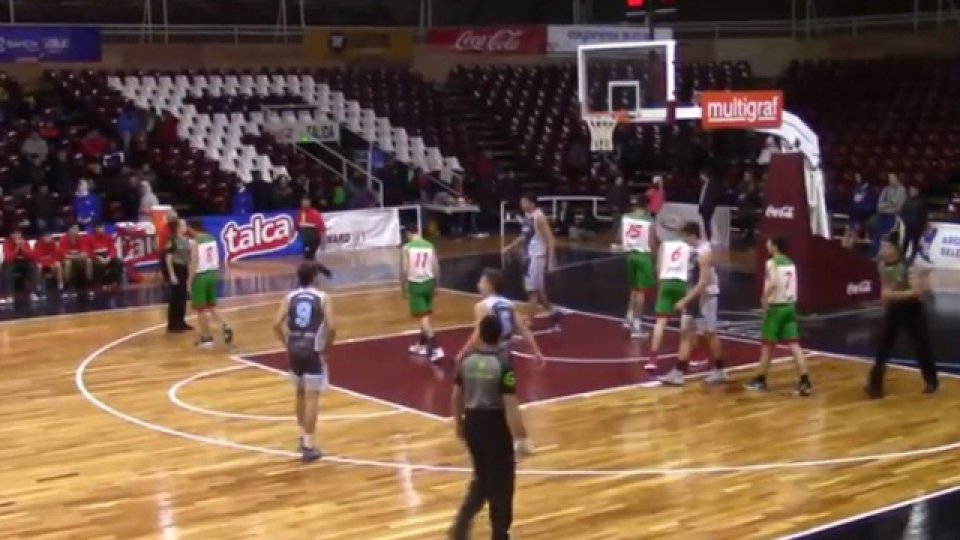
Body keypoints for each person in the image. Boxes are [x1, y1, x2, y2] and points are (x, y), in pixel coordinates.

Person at [449, 314, 530, 540]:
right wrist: (521, 437)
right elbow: (510, 405)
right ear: (500, 336)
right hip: (495, 425)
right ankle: (499, 532)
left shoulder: (467, 362)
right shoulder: (503, 366)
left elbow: (455, 396)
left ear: (481, 334)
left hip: (473, 423)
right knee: (503, 481)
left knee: (483, 477)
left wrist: (458, 423)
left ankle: (462, 524)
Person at [272, 262, 336, 463]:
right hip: (312, 349)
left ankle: (302, 437)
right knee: (311, 398)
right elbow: (333, 327)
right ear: (315, 278)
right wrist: (326, 349)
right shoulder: (323, 298)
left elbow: (275, 323)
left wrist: (286, 342)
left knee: (299, 393)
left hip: (294, 349)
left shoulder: (290, 297)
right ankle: (309, 446)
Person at [866, 234, 938, 398]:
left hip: (912, 310)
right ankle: (875, 385)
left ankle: (931, 380)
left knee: (921, 345)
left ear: (896, 250)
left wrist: (892, 296)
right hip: (894, 309)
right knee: (883, 347)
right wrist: (887, 302)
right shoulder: (882, 265)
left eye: (886, 247)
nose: (882, 250)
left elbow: (917, 292)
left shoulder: (908, 266)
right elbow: (885, 287)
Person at [658, 222, 727, 386]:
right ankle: (678, 372)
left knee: (709, 333)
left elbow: (703, 282)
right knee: (685, 332)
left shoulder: (704, 253)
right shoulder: (692, 249)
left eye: (685, 237)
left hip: (706, 297)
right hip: (693, 295)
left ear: (693, 236)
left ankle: (720, 370)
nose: (684, 240)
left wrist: (684, 300)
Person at [744, 237, 813, 396]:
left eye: (769, 242)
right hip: (790, 307)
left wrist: (764, 298)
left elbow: (773, 282)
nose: (766, 245)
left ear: (775, 246)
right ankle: (805, 380)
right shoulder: (790, 262)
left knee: (767, 346)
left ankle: (760, 379)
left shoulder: (772, 262)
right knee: (795, 345)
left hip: (776, 308)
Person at [456, 268, 545, 369]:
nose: (478, 284)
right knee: (507, 383)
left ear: (489, 285)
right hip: (505, 354)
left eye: (481, 281)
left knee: (485, 383)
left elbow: (477, 336)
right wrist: (537, 352)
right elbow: (525, 331)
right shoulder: (509, 304)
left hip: (487, 356)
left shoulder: (482, 306)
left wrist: (462, 355)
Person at [501, 194, 561, 329]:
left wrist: (551, 261)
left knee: (533, 291)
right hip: (528, 257)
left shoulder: (539, 218)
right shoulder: (528, 218)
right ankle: (553, 311)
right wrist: (510, 246)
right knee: (537, 290)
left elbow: (550, 240)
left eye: (524, 202)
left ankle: (529, 321)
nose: (521, 204)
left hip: (537, 257)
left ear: (532, 203)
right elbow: (524, 235)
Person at [645, 224, 694, 371]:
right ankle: (695, 356)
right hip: (683, 283)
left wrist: (661, 284)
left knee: (660, 322)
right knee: (688, 323)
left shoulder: (664, 245)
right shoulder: (689, 247)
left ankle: (652, 359)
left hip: (666, 282)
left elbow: (658, 268)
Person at [188, 218, 234, 348]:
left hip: (201, 276)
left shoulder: (197, 241)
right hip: (213, 274)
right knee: (212, 306)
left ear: (193, 228)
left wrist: (189, 280)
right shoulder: (212, 238)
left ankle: (206, 338)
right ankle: (226, 325)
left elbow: (194, 262)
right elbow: (218, 257)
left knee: (200, 309)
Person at [400, 227, 443, 362]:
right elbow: (436, 267)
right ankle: (421, 345)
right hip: (429, 282)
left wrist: (403, 286)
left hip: (416, 284)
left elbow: (405, 269)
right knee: (425, 315)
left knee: (423, 318)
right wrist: (437, 285)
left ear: (408, 234)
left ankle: (436, 348)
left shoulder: (407, 247)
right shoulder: (430, 245)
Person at [620, 195, 657, 339]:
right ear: (647, 206)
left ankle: (628, 317)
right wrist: (654, 259)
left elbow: (621, 237)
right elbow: (652, 243)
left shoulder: (626, 217)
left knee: (634, 288)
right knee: (641, 291)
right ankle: (637, 325)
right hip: (643, 256)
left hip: (630, 255)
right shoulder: (649, 221)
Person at [164, 218, 192, 333]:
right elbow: (168, 258)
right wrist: (172, 274)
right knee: (175, 298)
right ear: (178, 227)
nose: (185, 227)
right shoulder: (172, 240)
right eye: (183, 225)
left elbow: (189, 257)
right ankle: (172, 324)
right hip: (176, 269)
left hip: (184, 269)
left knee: (183, 297)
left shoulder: (187, 240)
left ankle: (181, 321)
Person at [871, 173, 906, 255]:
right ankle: (874, 253)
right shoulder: (886, 189)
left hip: (893, 217)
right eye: (889, 179)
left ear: (897, 179)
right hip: (882, 216)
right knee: (876, 233)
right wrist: (889, 204)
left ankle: (885, 255)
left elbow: (898, 207)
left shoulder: (902, 190)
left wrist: (886, 206)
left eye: (892, 178)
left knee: (887, 236)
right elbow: (879, 205)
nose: (890, 180)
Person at [1, 228, 37, 303]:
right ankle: (9, 295)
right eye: (15, 234)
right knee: (8, 269)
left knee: (33, 266)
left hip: (24, 263)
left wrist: (23, 247)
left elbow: (31, 256)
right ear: (11, 235)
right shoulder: (7, 243)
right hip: (11, 263)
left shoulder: (25, 242)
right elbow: (9, 258)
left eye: (19, 234)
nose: (18, 236)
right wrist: (17, 248)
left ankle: (32, 292)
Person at [842, 173, 875, 249]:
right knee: (847, 232)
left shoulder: (869, 190)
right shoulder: (856, 188)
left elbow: (870, 205)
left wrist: (862, 212)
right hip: (852, 215)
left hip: (861, 216)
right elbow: (852, 201)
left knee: (854, 233)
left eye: (858, 177)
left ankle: (848, 250)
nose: (856, 178)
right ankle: (842, 249)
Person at [59, 223, 93, 295]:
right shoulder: (63, 239)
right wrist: (77, 256)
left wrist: (77, 256)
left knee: (88, 261)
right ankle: (67, 285)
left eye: (78, 229)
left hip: (77, 259)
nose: (77, 231)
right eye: (75, 229)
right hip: (67, 260)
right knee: (68, 263)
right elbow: (64, 255)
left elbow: (85, 253)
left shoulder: (81, 238)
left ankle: (88, 283)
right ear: (69, 230)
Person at [900, 184, 928, 265]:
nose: (911, 192)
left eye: (913, 190)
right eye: (910, 190)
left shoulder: (921, 202)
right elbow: (902, 212)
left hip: (917, 226)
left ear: (917, 191)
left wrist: (923, 225)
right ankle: (902, 257)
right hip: (908, 225)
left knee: (915, 242)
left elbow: (923, 215)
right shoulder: (907, 201)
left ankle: (912, 258)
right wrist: (905, 220)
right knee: (906, 241)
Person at [89, 222, 123, 288]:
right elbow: (89, 251)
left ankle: (116, 282)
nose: (102, 229)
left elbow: (112, 248)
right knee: (99, 265)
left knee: (119, 262)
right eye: (100, 228)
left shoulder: (108, 237)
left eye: (103, 227)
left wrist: (109, 257)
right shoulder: (90, 238)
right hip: (97, 257)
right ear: (95, 229)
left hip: (107, 255)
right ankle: (101, 283)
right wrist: (97, 257)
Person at [296, 197, 326, 261]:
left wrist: (323, 241)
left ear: (309, 204)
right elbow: (297, 225)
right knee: (307, 255)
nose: (304, 204)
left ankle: (316, 268)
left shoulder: (315, 213)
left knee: (309, 256)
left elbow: (321, 227)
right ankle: (312, 267)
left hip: (313, 238)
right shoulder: (300, 213)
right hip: (305, 238)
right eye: (303, 203)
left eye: (306, 203)